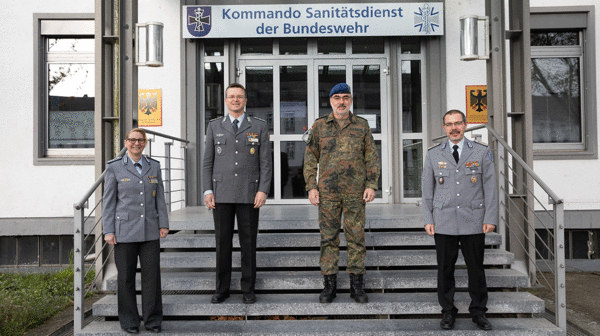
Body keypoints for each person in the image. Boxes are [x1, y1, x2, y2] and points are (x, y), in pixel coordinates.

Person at [303, 83, 380, 304]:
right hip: (328, 193)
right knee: (328, 238)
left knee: (356, 238)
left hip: (355, 192)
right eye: (337, 97)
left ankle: (357, 286)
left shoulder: (362, 126)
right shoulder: (319, 126)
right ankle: (329, 285)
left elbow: (371, 157)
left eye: (346, 97)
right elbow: (310, 159)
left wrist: (371, 184)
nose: (341, 102)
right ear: (330, 101)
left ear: (351, 100)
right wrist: (312, 186)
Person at [422, 109, 498, 331]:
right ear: (444, 127)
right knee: (445, 269)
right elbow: (427, 190)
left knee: (476, 268)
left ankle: (479, 311)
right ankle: (447, 312)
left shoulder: (482, 152)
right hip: (444, 220)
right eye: (449, 124)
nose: (453, 128)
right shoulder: (434, 154)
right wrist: (428, 217)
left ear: (465, 125)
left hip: (474, 219)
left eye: (457, 123)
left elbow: (491, 188)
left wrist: (490, 217)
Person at [202, 83, 272, 304]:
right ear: (225, 100)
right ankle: (221, 289)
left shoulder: (259, 127)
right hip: (221, 193)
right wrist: (207, 190)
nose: (235, 100)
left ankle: (248, 289)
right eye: (231, 97)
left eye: (239, 97)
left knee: (248, 244)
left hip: (249, 194)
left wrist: (263, 189)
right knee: (222, 244)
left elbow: (266, 163)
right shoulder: (214, 126)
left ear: (245, 100)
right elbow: (207, 163)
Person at [103, 128, 169, 334]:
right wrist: (109, 230)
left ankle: (152, 320)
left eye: (140, 140)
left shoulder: (154, 166)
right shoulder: (114, 168)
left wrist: (163, 223)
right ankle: (129, 321)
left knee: (152, 278)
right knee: (125, 278)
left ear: (145, 143)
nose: (136, 144)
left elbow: (160, 198)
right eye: (132, 140)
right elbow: (109, 202)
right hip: (124, 231)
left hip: (150, 230)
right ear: (126, 142)